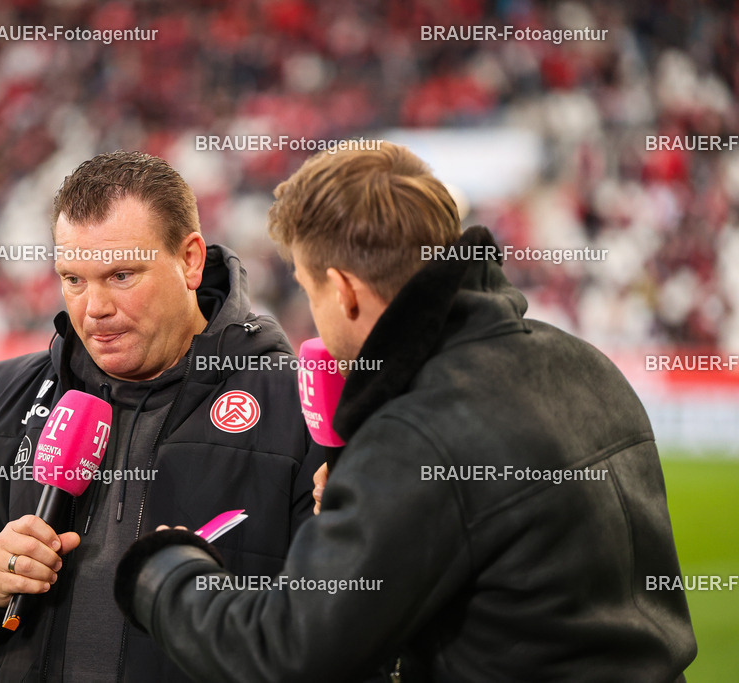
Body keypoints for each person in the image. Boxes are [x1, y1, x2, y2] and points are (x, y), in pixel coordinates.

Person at [114, 142, 697, 681]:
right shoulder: (581, 361)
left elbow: (289, 652)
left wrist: (164, 569)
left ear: (343, 291)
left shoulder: (417, 432)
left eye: (309, 289)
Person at [0, 150, 322, 681]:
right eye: (73, 279)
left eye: (120, 275)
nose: (94, 308)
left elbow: (335, 624)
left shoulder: (295, 407)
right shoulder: (5, 395)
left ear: (190, 260)